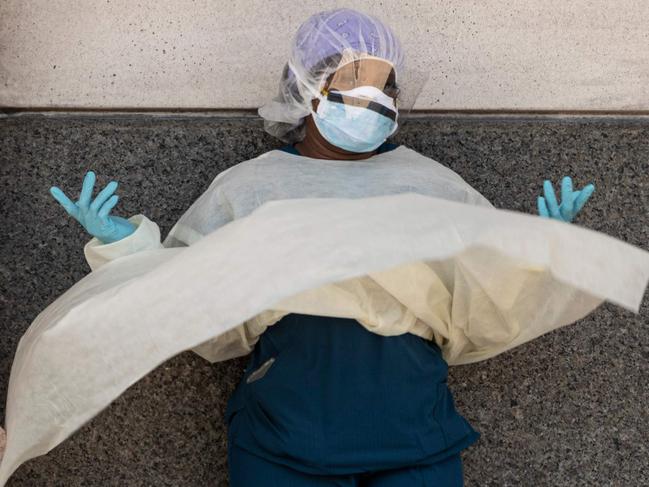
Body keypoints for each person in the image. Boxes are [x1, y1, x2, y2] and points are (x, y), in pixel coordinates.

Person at [48, 8, 595, 486]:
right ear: (306, 90)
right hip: (285, 435)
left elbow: (481, 303)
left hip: (414, 432)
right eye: (355, 83)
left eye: (386, 87)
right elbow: (193, 299)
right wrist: (129, 248)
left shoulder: (434, 185)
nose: (375, 101)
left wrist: (537, 256)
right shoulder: (249, 189)